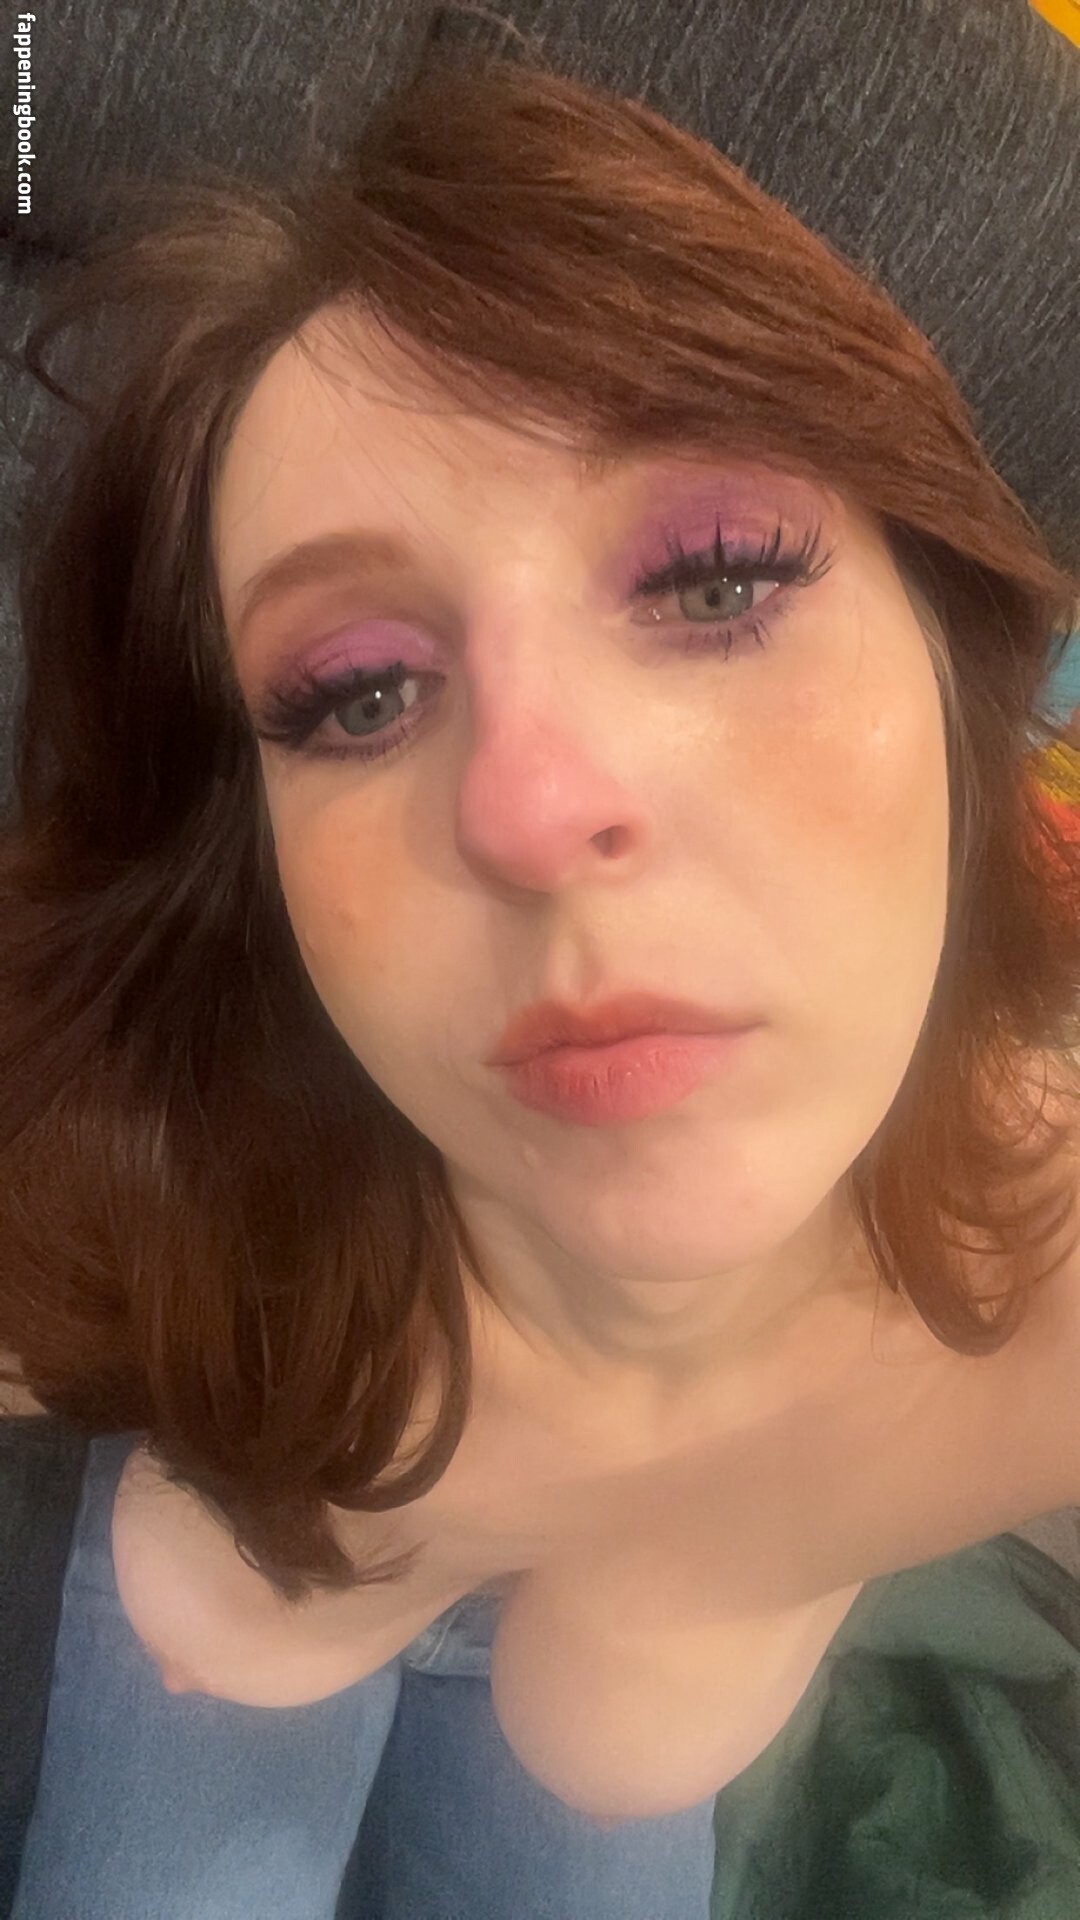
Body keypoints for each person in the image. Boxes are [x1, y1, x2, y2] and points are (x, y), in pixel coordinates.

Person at [2, 33, 1079, 1920]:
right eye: (358, 692)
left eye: (718, 580)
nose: (527, 803)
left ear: (963, 668)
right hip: (265, 1536)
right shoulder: (124, 1181)